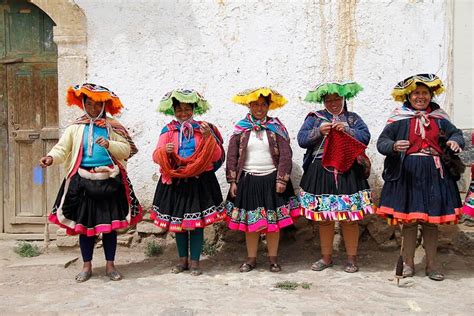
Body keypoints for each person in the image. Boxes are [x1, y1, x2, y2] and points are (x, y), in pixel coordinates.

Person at [40, 83, 142, 282]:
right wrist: (51, 157)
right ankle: (87, 266)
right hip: (82, 183)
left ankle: (110, 266)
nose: (93, 108)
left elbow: (127, 150)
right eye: (89, 104)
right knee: (85, 228)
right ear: (83, 104)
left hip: (109, 182)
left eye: (98, 104)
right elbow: (62, 148)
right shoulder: (76, 128)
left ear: (104, 105)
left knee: (109, 228)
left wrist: (110, 144)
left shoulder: (113, 127)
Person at [376, 74, 465, 281]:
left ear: (431, 95)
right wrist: (394, 146)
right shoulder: (399, 118)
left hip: (434, 174)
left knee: (430, 222)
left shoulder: (439, 118)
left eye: (425, 93)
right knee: (409, 221)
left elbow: (457, 134)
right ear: (409, 95)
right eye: (416, 93)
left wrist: (454, 141)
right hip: (408, 175)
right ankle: (407, 263)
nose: (420, 97)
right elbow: (382, 142)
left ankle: (432, 264)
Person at [297, 81, 373, 273]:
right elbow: (302, 139)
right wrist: (318, 132)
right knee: (325, 218)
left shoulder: (353, 119)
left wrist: (346, 129)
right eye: (329, 100)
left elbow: (365, 137)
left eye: (337, 99)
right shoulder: (315, 119)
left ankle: (351, 259)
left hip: (349, 171)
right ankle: (326, 257)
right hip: (322, 172)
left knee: (349, 218)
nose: (333, 103)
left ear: (343, 99)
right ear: (323, 101)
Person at [151, 88, 225, 276]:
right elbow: (156, 156)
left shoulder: (203, 129)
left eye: (187, 109)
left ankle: (195, 262)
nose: (183, 113)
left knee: (196, 224)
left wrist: (208, 138)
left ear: (194, 109)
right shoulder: (168, 131)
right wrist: (164, 151)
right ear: (173, 111)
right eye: (179, 110)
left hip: (199, 182)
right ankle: (182, 260)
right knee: (180, 225)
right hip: (177, 182)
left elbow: (216, 155)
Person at [225, 87, 299, 273]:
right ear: (249, 105)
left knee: (273, 225)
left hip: (272, 181)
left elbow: (285, 156)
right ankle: (251, 259)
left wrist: (282, 179)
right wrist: (233, 181)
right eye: (255, 104)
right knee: (251, 224)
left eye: (263, 104)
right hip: (248, 180)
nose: (259, 108)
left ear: (269, 106)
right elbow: (232, 156)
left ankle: (273, 259)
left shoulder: (276, 127)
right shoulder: (241, 128)